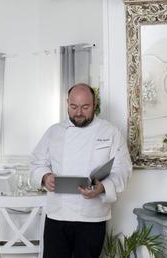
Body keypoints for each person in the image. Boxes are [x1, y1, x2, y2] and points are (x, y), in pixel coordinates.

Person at [30, 83, 132, 258]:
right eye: (73, 107)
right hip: (57, 216)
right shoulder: (53, 132)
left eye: (85, 107)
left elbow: (123, 168)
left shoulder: (110, 132)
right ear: (67, 104)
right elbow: (36, 162)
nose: (78, 113)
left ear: (95, 105)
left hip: (92, 218)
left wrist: (103, 187)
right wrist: (45, 176)